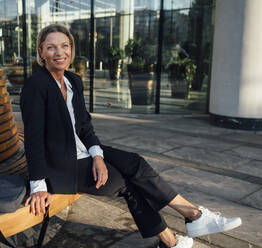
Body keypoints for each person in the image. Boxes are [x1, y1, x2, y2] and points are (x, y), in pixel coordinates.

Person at [20, 24, 242, 248]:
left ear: (71, 48)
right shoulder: (35, 86)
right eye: (51, 47)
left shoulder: (73, 81)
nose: (59, 53)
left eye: (64, 46)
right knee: (126, 183)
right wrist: (38, 186)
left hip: (83, 152)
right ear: (41, 52)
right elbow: (33, 138)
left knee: (137, 163)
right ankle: (182, 229)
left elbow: (85, 126)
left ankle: (192, 219)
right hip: (60, 166)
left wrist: (98, 157)